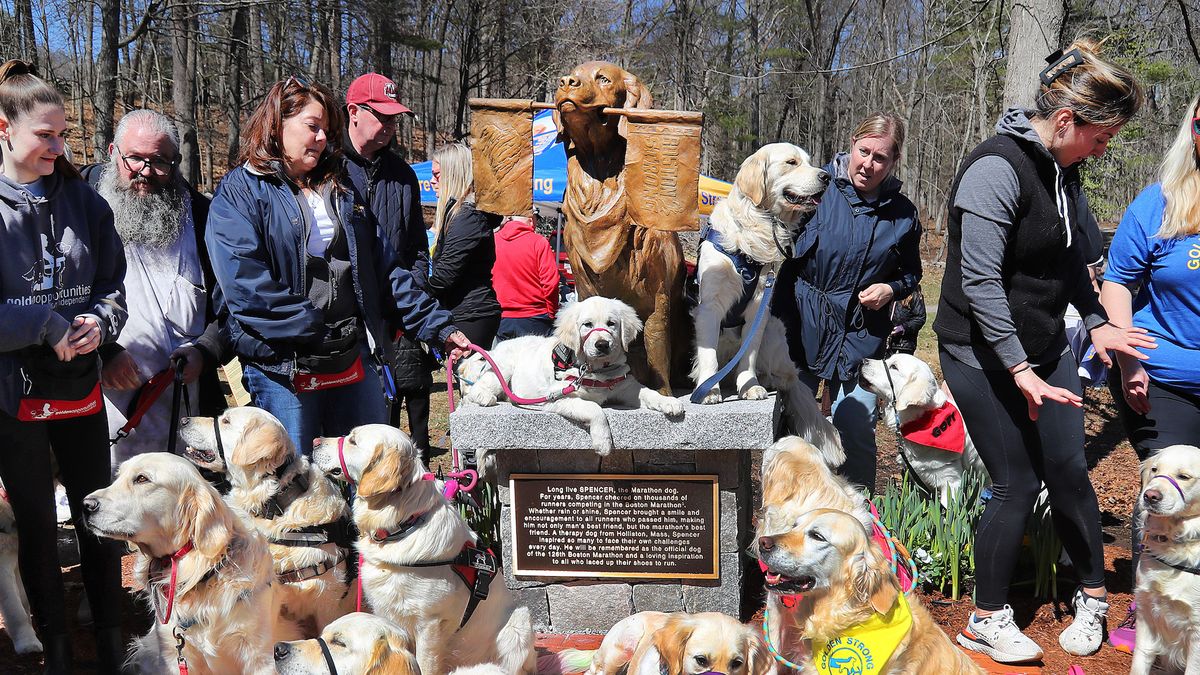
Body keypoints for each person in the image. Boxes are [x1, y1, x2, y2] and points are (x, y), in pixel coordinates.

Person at [934, 41, 1152, 663]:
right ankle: (987, 616)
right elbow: (979, 284)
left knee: (1068, 468)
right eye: (1101, 135)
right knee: (1016, 480)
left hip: (1044, 343)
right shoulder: (995, 170)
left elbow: (1071, 262)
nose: (1102, 147)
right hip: (978, 351)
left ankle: (1090, 597)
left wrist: (1093, 320)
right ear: (1065, 122)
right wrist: (1020, 371)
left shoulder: (1065, 172)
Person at [206, 76, 468, 454]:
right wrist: (312, 327)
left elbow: (387, 271)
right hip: (285, 370)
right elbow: (245, 285)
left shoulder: (342, 190)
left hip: (352, 360)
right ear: (277, 125)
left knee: (371, 480)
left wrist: (439, 328)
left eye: (327, 131)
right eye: (312, 128)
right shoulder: (241, 190)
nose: (323, 139)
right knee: (296, 487)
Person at [0, 59, 127, 674]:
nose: (58, 146)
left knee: (97, 513)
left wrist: (101, 323)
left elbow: (112, 284)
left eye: (64, 135)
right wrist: (45, 326)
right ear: (4, 128)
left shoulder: (85, 202)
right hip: (12, 396)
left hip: (79, 390)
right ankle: (55, 647)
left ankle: (110, 639)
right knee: (36, 528)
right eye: (44, 135)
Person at [1100, 92, 1200, 652]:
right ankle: (1152, 623)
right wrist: (1129, 357)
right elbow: (1117, 281)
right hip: (1161, 378)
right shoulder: (1160, 202)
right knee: (1166, 497)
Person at [774, 112, 922, 490]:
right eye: (863, 151)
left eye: (880, 158)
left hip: (861, 333)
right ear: (851, 144)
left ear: (894, 161)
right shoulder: (813, 187)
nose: (868, 165)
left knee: (854, 427)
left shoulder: (903, 214)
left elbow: (911, 273)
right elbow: (772, 236)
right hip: (800, 325)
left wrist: (891, 288)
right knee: (793, 432)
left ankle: (859, 522)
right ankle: (792, 518)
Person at [80, 109, 226, 468]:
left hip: (184, 403)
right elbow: (61, 297)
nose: (145, 171)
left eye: (159, 161)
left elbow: (232, 305)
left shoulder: (204, 217)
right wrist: (104, 351)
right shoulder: (79, 208)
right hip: (101, 396)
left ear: (175, 164)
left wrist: (206, 352)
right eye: (135, 159)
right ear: (114, 151)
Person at [342, 72, 436, 461]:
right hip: (343, 320)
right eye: (382, 117)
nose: (390, 127)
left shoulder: (403, 175)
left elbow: (416, 246)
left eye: (395, 119)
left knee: (389, 418)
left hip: (395, 319)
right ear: (354, 113)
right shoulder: (326, 166)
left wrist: (411, 293)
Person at [415, 142, 501, 347]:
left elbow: (445, 274)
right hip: (465, 310)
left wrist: (416, 300)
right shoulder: (460, 214)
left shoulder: (468, 216)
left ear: (453, 173)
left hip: (471, 314)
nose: (432, 181)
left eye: (437, 175)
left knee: (469, 377)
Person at [493, 214, 559, 342]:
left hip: (503, 317)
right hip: (536, 317)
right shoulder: (538, 242)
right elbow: (551, 283)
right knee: (537, 360)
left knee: (507, 360)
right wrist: (552, 312)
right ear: (530, 220)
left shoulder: (493, 241)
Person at [885, 286, 926, 356]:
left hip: (903, 344)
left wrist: (904, 328)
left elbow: (920, 318)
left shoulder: (914, 294)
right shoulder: (888, 292)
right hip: (885, 343)